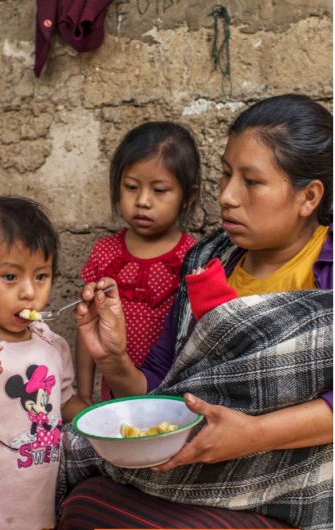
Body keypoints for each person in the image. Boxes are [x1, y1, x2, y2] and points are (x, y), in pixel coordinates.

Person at [58, 94, 333, 530]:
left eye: (251, 182)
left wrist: (254, 435)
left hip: (289, 482)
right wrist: (112, 358)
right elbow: (164, 388)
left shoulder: (328, 270)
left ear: (309, 196)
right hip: (191, 467)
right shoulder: (206, 262)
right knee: (84, 501)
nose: (226, 196)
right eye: (225, 175)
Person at [0, 196, 87, 530]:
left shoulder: (50, 344)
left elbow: (64, 402)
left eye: (41, 276)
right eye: (10, 277)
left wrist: (104, 424)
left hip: (37, 514)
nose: (28, 293)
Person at [77, 121, 200, 403]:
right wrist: (83, 397)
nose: (143, 201)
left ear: (187, 197)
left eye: (159, 190)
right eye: (131, 187)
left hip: (174, 401)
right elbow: (87, 330)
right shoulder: (105, 254)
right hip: (114, 401)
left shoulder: (194, 259)